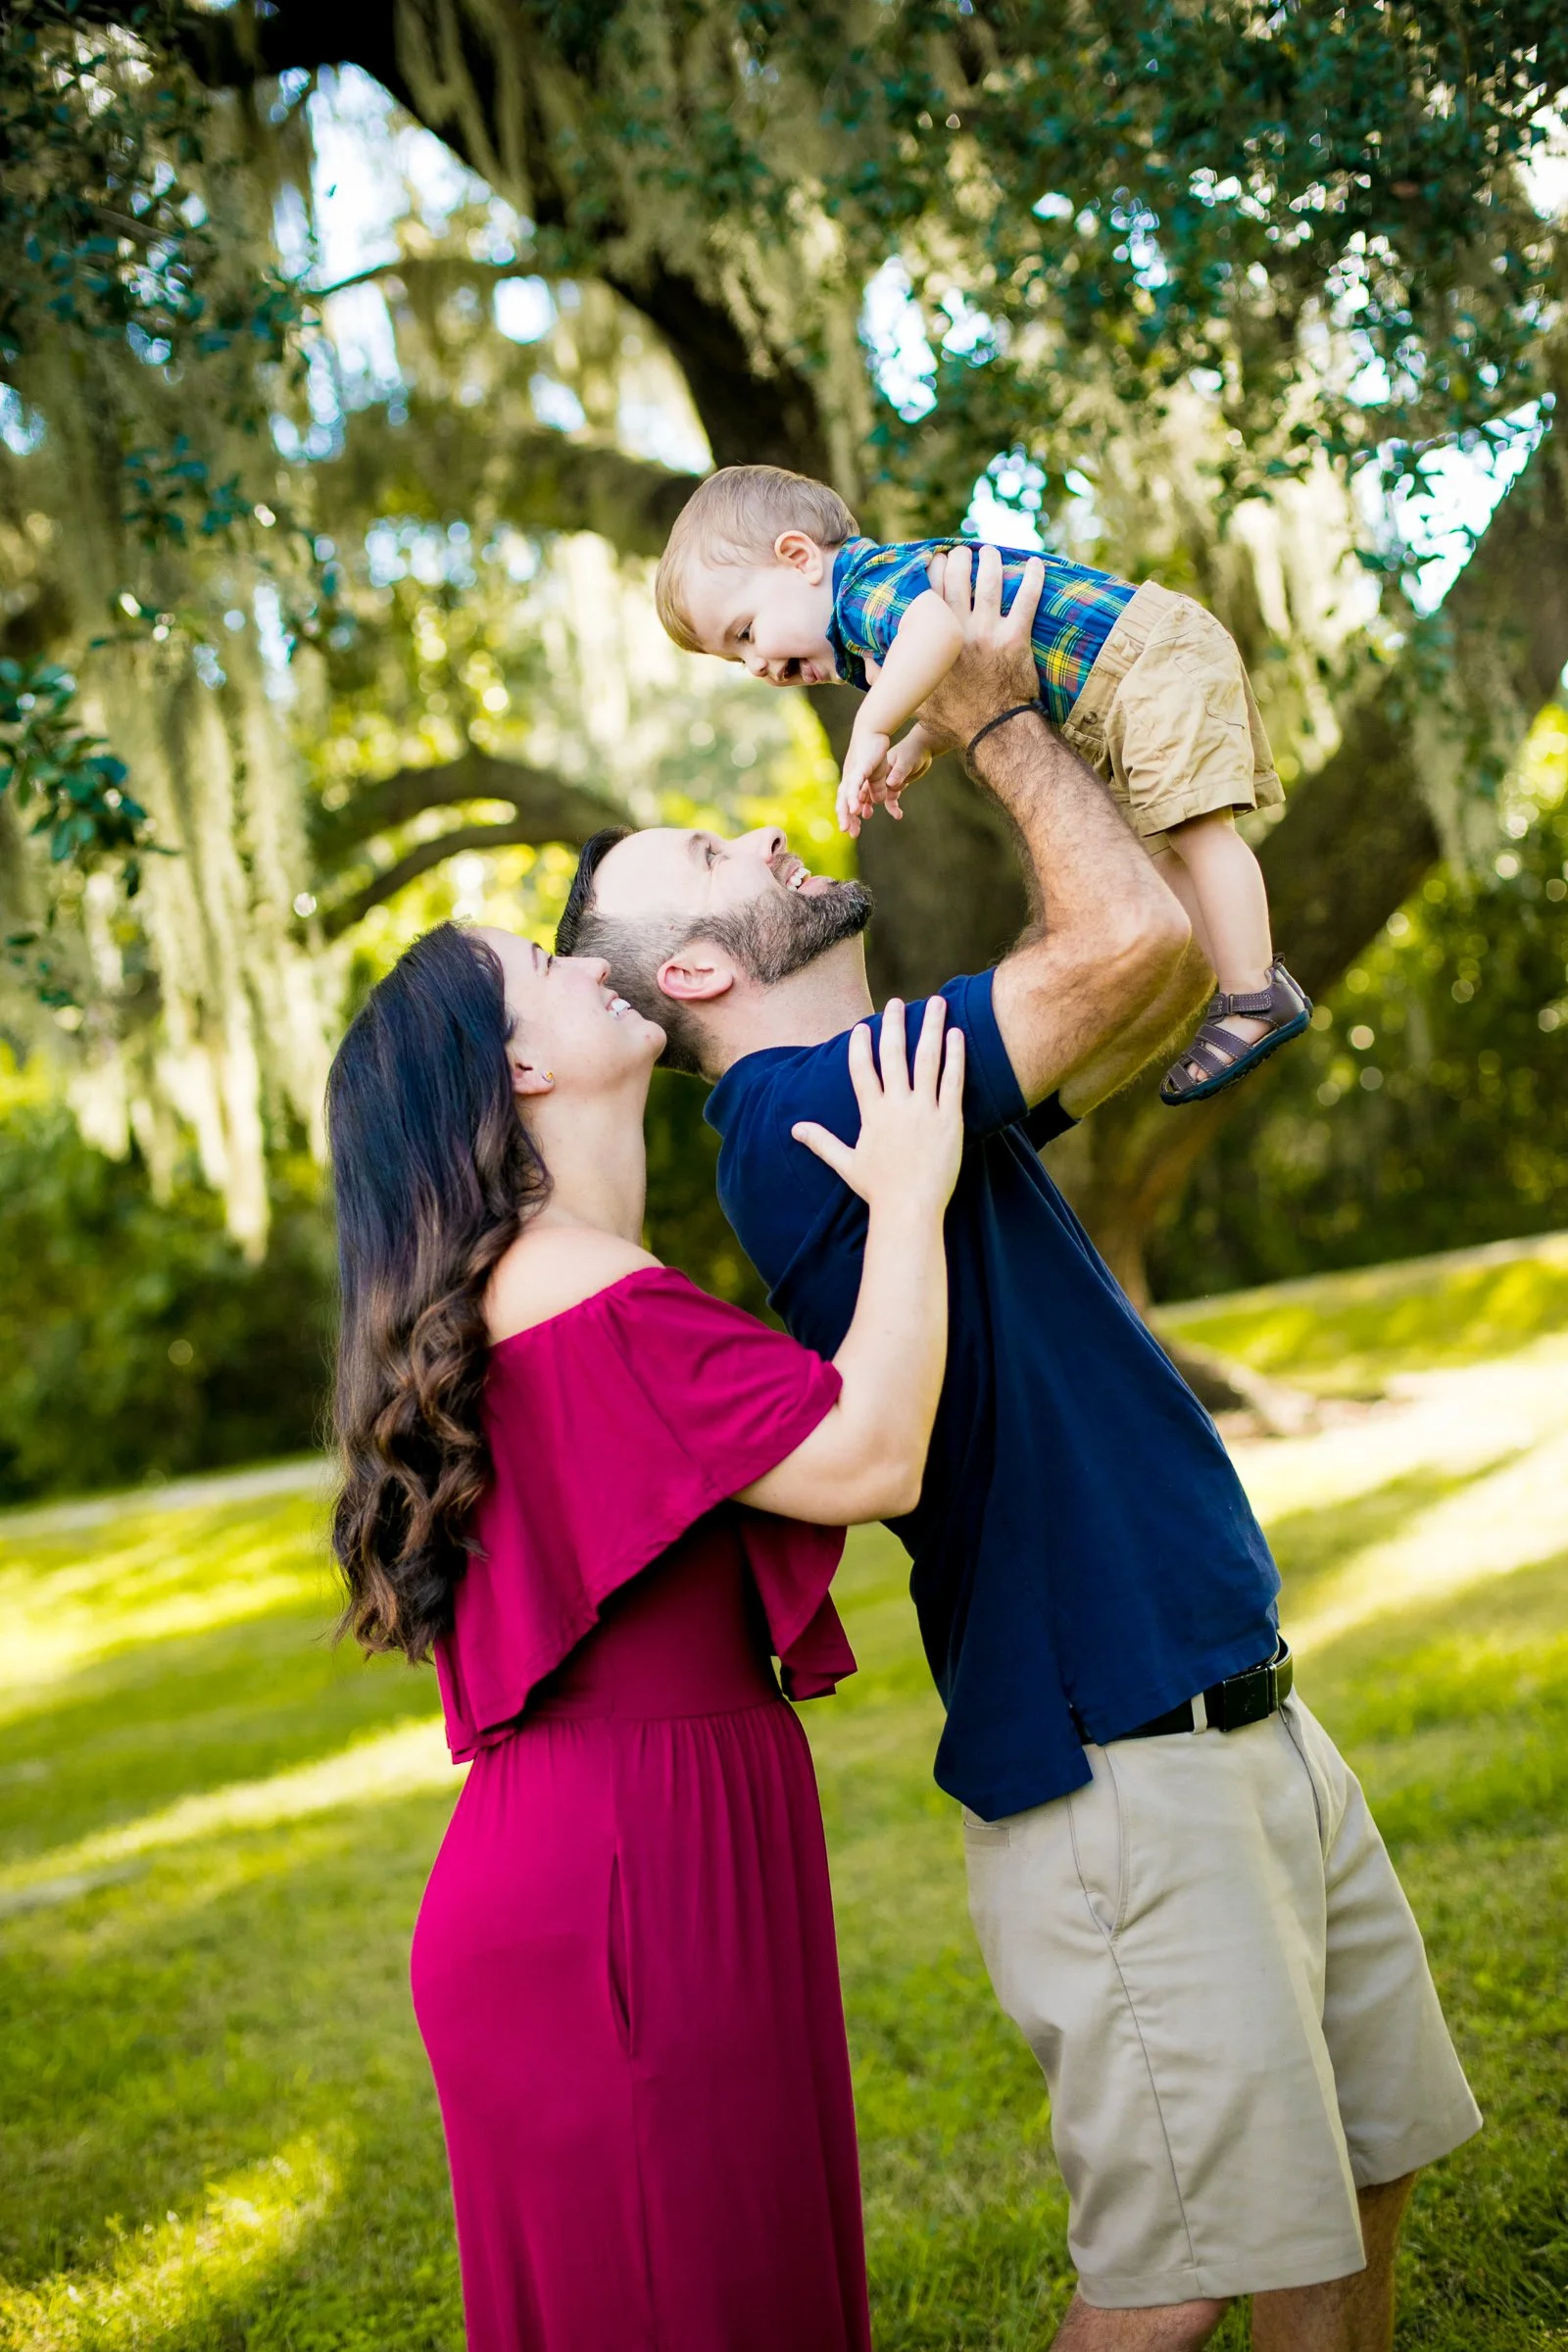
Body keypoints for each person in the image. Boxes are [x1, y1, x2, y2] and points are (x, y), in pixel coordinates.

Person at [557, 545, 1482, 2351]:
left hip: (1231, 1697)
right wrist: (991, 715)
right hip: (1116, 1755)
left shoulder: (907, 1069)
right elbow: (1130, 943)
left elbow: (1138, 987)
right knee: (1178, 2280)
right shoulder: (806, 1110)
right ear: (690, 965)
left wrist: (1032, 728)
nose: (762, 835)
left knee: (1363, 2167)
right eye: (708, 858)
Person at [325, 919, 966, 2352]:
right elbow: (868, 1459)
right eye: (533, 969)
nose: (577, 961)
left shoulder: (561, 1279)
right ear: (521, 1067)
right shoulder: (567, 1286)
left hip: (630, 1850)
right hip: (624, 1883)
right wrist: (912, 1197)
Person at [655, 461, 1311, 1105]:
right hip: (1129, 683)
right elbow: (953, 664)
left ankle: (1254, 993)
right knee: (1168, 856)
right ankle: (1211, 989)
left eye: (746, 631)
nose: (756, 664)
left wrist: (873, 729)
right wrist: (919, 741)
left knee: (1199, 832)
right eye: (735, 657)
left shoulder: (862, 589)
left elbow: (938, 633)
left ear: (799, 558)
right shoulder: (872, 629)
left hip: (1144, 663)